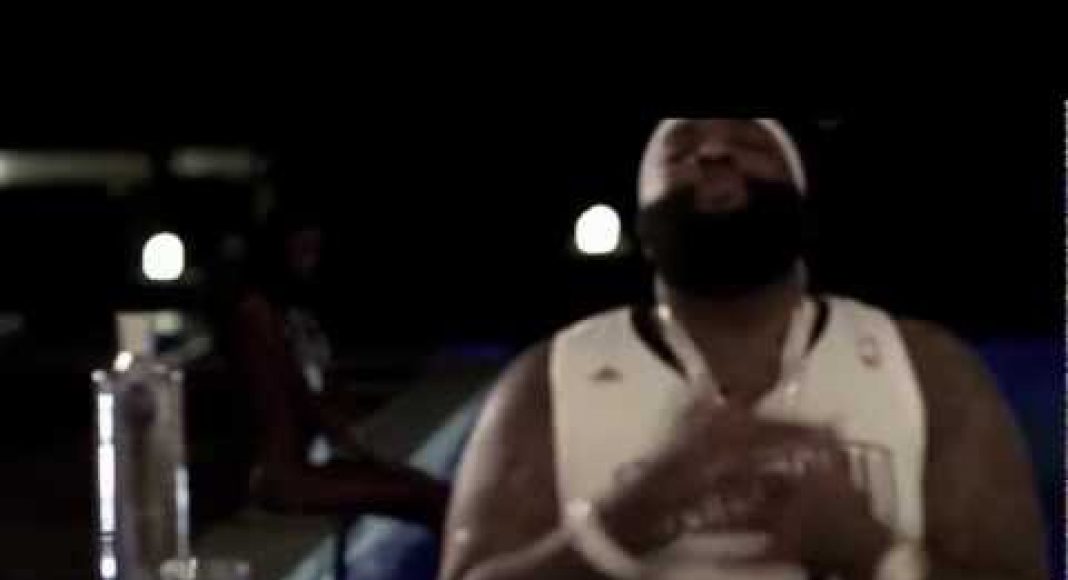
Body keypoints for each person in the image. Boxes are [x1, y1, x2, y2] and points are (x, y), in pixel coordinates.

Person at [439, 119, 1047, 580]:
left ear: (803, 206)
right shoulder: (547, 375)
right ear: (643, 227)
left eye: (751, 143)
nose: (713, 152)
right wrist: (622, 523)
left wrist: (875, 553)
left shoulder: (929, 365)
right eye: (680, 150)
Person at [227, 205, 449, 530]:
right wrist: (360, 446)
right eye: (302, 251)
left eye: (314, 251)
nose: (309, 262)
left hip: (311, 463)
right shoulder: (256, 313)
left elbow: (328, 389)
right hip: (284, 477)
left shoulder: (298, 313)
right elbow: (300, 398)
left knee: (430, 490)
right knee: (423, 495)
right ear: (278, 253)